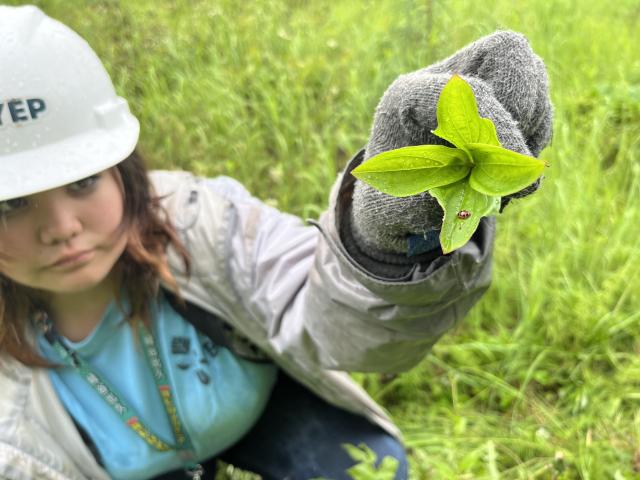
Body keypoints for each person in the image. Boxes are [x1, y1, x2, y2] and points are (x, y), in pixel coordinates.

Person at [0, 5, 553, 480]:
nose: (62, 227)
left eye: (81, 181)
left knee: (370, 464)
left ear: (122, 168)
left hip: (258, 410)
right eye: (11, 204)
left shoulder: (197, 218)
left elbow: (321, 305)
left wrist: (386, 240)